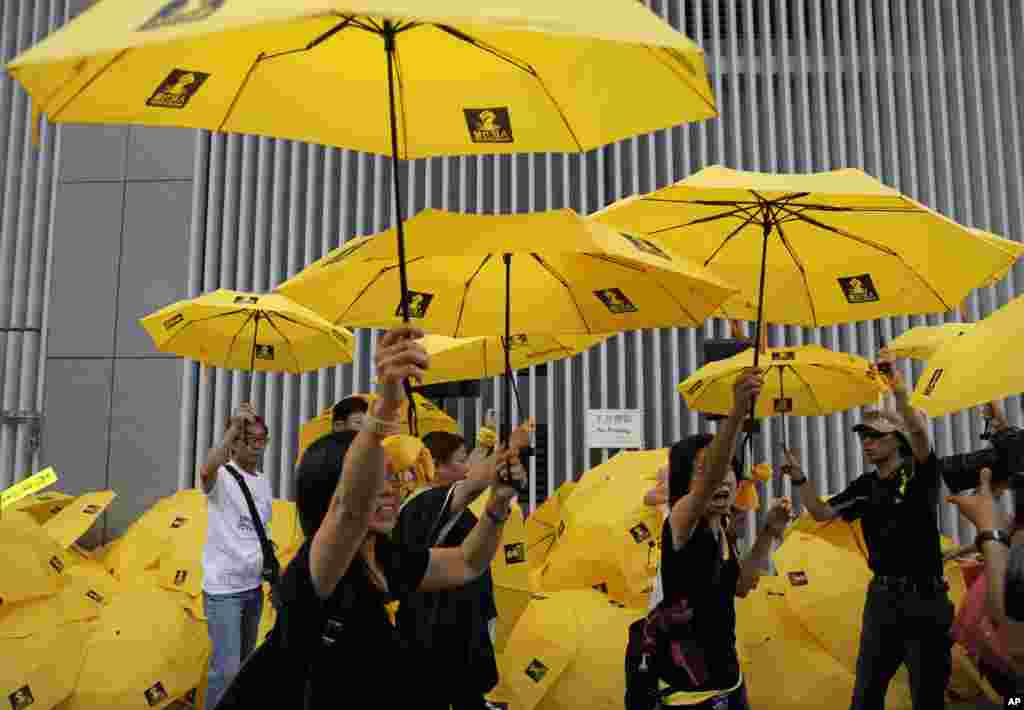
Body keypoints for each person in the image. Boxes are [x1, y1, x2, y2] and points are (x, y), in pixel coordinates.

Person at [273, 327, 526, 708]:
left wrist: (498, 505)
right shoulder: (317, 572)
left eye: (393, 478)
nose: (392, 489)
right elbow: (349, 510)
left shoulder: (386, 559)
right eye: (379, 479)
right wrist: (387, 405)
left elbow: (467, 561)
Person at [781, 360, 953, 710]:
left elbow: (920, 433)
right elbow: (821, 513)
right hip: (883, 600)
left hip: (925, 598)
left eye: (876, 436)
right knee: (865, 695)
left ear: (898, 439)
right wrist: (799, 478)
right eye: (864, 437)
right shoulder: (865, 486)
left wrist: (898, 389)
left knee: (927, 696)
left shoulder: (919, 473)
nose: (867, 443)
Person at [633, 368, 792, 710]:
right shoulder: (681, 520)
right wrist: (736, 411)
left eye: (727, 471)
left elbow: (742, 586)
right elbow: (709, 482)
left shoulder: (722, 528)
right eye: (702, 471)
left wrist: (768, 531)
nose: (721, 480)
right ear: (685, 483)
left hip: (729, 681)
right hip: (690, 692)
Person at [395, 426, 531, 710]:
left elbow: (470, 558)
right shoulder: (422, 505)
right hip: (439, 636)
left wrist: (499, 501)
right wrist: (509, 449)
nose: (467, 465)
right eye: (460, 459)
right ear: (436, 466)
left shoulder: (430, 503)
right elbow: (471, 486)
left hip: (456, 630)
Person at [198, 402, 273, 710]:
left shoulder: (264, 481)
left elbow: (259, 528)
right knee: (225, 671)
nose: (257, 447)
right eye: (250, 439)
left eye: (262, 440)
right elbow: (205, 470)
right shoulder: (223, 476)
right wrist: (231, 429)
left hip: (252, 587)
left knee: (243, 670)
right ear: (237, 443)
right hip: (223, 590)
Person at [948, 465, 1024, 701]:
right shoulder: (1015, 525)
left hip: (1006, 578)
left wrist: (990, 533)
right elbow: (1001, 534)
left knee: (996, 637)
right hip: (1004, 575)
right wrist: (963, 549)